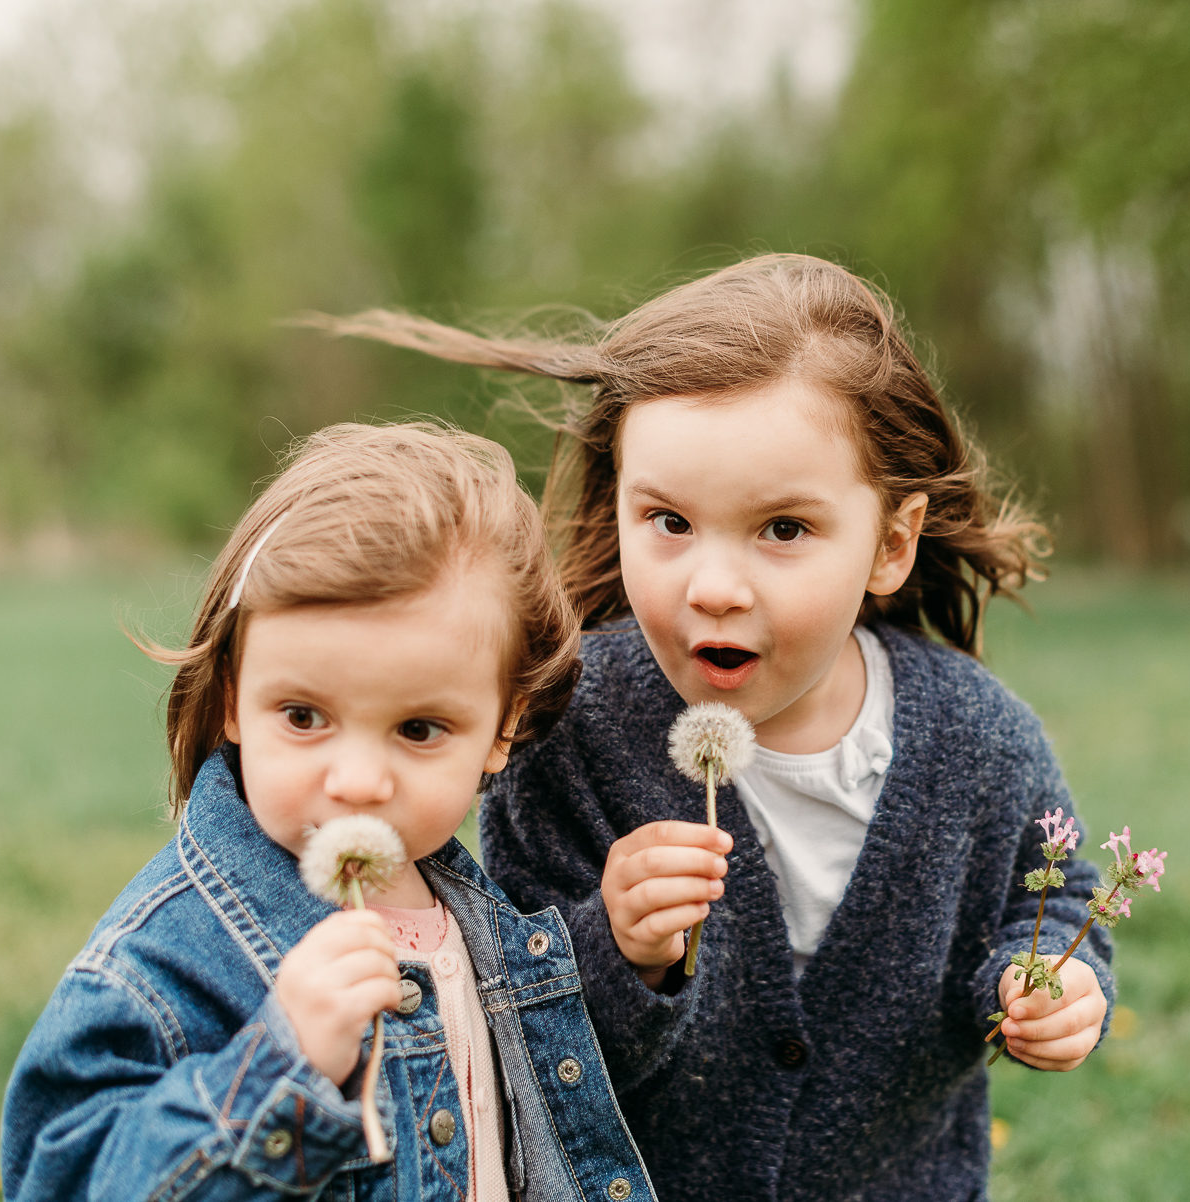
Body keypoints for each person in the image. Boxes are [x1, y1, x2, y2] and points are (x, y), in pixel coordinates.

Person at [319, 255, 1117, 1201]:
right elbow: (511, 1026)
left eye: (783, 530)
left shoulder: (980, 742)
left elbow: (1054, 898)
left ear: (892, 543)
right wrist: (614, 945)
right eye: (668, 521)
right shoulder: (572, 733)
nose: (714, 587)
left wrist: (1051, 988)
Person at [1, 423, 656, 1202]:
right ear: (233, 695)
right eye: (304, 717)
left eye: (418, 730)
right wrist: (285, 1064)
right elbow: (62, 1179)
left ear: (501, 729)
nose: (354, 781)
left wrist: (628, 955)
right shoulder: (168, 959)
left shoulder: (479, 919)